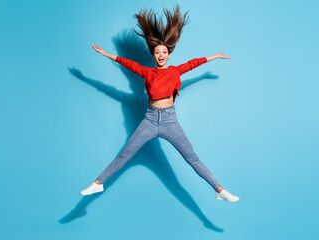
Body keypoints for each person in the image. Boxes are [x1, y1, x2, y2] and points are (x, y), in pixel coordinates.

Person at [80, 5, 239, 202]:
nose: (161, 55)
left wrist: (215, 56)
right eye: (157, 52)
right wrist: (104, 54)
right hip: (149, 120)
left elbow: (193, 63)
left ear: (169, 54)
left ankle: (219, 190)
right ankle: (98, 183)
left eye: (164, 51)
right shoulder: (147, 72)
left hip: (170, 121)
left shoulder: (174, 71)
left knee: (192, 158)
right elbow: (126, 63)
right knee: (124, 155)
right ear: (153, 55)